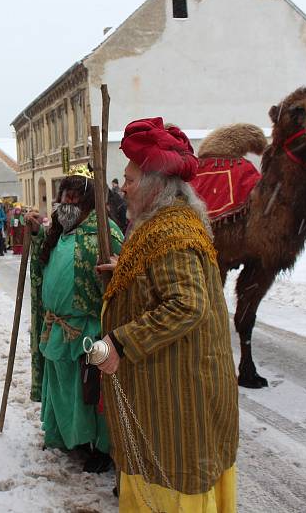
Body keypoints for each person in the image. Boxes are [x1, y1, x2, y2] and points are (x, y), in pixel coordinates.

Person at [96, 118, 239, 512]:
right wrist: (124, 271)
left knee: (171, 486)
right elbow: (160, 278)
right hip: (169, 389)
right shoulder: (164, 224)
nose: (122, 186)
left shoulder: (171, 232)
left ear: (156, 184)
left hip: (178, 393)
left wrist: (119, 342)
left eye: (129, 178)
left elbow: (185, 304)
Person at [26, 168, 123, 472]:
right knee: (64, 386)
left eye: (74, 197)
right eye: (64, 196)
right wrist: (36, 234)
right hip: (56, 327)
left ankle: (99, 446)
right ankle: (70, 437)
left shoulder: (107, 235)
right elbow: (45, 261)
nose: (66, 204)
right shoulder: (60, 232)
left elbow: (120, 281)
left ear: (89, 202)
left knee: (89, 392)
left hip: (87, 329)